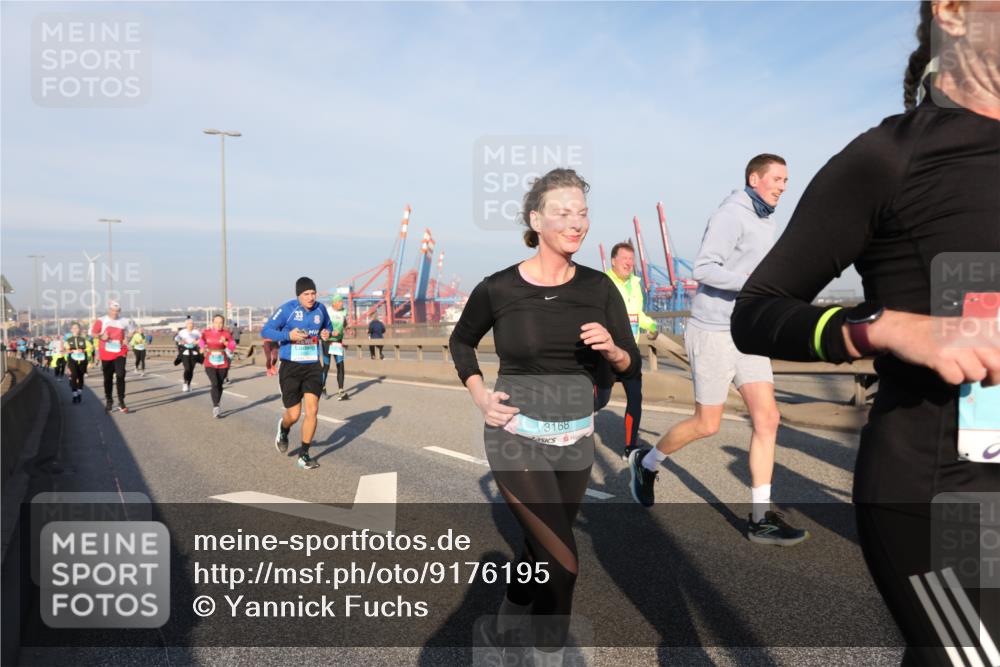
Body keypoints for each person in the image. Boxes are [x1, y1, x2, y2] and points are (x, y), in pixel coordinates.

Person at [731, 2, 999, 662]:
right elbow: (758, 309)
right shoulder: (891, 156)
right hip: (945, 495)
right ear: (955, 12)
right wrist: (888, 327)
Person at [450, 169, 639, 665]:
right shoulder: (499, 288)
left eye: (582, 213)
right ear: (536, 220)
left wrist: (614, 350)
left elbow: (630, 361)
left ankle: (507, 621)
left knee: (538, 554)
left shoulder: (599, 288)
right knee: (563, 564)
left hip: (576, 441)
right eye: (563, 213)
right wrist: (479, 394)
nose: (576, 223)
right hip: (515, 438)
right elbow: (461, 340)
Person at [628, 153, 809, 547]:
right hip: (713, 331)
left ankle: (760, 519)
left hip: (748, 331)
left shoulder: (767, 219)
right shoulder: (732, 213)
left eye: (786, 180)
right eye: (777, 179)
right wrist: (753, 284)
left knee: (768, 418)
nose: (782, 186)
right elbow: (704, 269)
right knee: (707, 424)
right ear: (754, 178)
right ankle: (646, 463)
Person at [261, 277, 332, 470]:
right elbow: (265, 331)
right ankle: (284, 429)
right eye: (306, 294)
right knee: (293, 414)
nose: (310, 297)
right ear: (298, 295)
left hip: (312, 366)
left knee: (313, 410)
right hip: (291, 366)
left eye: (313, 293)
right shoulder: (288, 309)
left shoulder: (321, 309)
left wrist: (326, 333)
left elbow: (328, 326)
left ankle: (304, 454)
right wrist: (288, 335)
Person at [598, 241, 659, 457]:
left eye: (631, 260)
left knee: (635, 397)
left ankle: (630, 448)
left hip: (629, 352)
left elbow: (637, 314)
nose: (629, 263)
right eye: (624, 259)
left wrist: (650, 324)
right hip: (606, 353)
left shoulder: (635, 283)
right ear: (613, 260)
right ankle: (570, 427)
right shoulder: (603, 283)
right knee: (600, 400)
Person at [91, 301, 133, 413]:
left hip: (120, 351)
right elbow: (93, 333)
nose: (115, 313)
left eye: (117, 311)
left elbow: (131, 331)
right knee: (108, 378)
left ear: (120, 311)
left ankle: (121, 401)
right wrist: (101, 336)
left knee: (121, 374)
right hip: (106, 352)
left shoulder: (124, 321)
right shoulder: (101, 320)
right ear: (109, 310)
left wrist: (127, 338)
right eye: (113, 310)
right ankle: (109, 400)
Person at [199, 314, 236, 418]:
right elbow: (201, 340)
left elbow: (233, 346)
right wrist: (202, 347)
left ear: (223, 324)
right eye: (216, 322)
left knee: (219, 384)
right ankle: (215, 407)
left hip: (222, 362)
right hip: (209, 361)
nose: (218, 324)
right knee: (214, 383)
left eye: (220, 323)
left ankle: (218, 403)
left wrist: (225, 342)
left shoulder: (226, 333)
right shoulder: (207, 332)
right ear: (213, 323)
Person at [324, 295, 350, 400]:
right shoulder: (327, 312)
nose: (341, 303)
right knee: (326, 366)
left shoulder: (344, 311)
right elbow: (322, 326)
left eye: (342, 301)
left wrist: (347, 328)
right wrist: (330, 332)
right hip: (327, 341)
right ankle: (323, 387)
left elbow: (344, 323)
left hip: (338, 342)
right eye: (339, 301)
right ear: (333, 303)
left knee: (340, 365)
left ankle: (341, 390)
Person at [64, 323, 92, 404]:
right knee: (73, 376)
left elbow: (90, 347)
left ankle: (79, 393)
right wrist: (70, 350)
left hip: (82, 360)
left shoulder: (84, 339)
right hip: (72, 360)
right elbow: (65, 349)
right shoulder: (69, 340)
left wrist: (83, 350)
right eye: (74, 328)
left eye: (77, 328)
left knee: (80, 377)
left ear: (79, 329)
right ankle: (74, 395)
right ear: (71, 330)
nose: (75, 329)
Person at [174, 317, 202, 392]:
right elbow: (176, 338)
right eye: (189, 324)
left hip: (194, 352)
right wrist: (181, 340)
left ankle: (188, 384)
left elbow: (202, 339)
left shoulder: (196, 332)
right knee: (187, 368)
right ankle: (185, 383)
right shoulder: (182, 332)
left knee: (191, 370)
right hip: (185, 352)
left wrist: (197, 341)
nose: (191, 325)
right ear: (186, 324)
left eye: (192, 323)